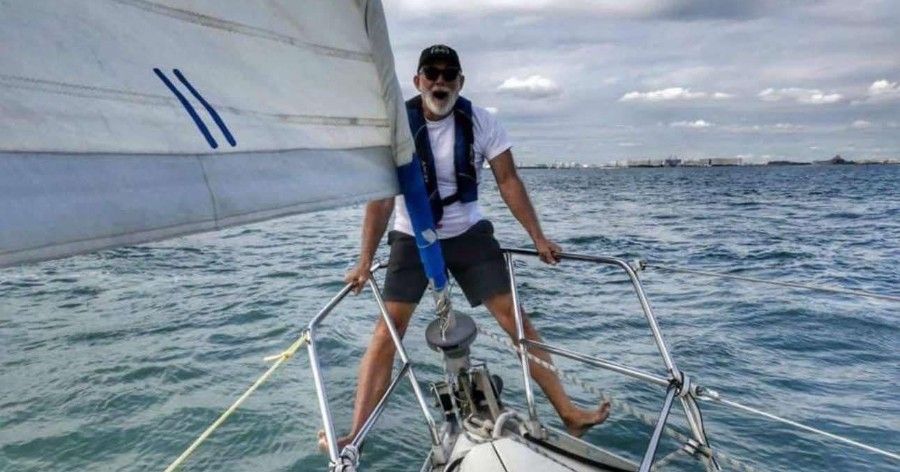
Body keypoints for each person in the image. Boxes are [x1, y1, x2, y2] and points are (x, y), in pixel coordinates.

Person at [319, 44, 609, 452]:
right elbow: (382, 198)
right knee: (388, 331)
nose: (440, 81)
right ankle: (355, 434)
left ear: (460, 82)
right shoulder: (396, 126)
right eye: (431, 73)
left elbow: (508, 180)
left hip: (468, 232)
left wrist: (537, 238)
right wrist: (364, 261)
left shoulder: (482, 122)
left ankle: (568, 412)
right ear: (417, 80)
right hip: (411, 235)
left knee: (517, 322)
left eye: (448, 74)